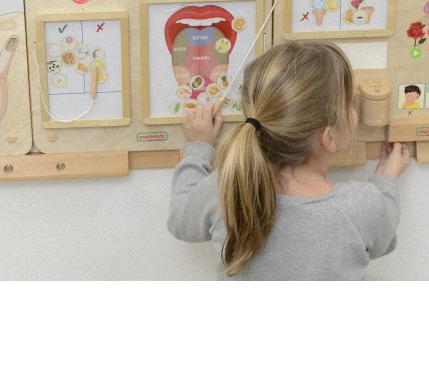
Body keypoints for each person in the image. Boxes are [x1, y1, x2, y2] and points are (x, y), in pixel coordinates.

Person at [167, 41, 409, 280]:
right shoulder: (363, 204)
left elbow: (180, 221)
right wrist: (387, 180)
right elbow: (383, 241)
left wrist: (198, 147)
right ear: (329, 137)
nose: (354, 111)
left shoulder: (227, 188)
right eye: (349, 104)